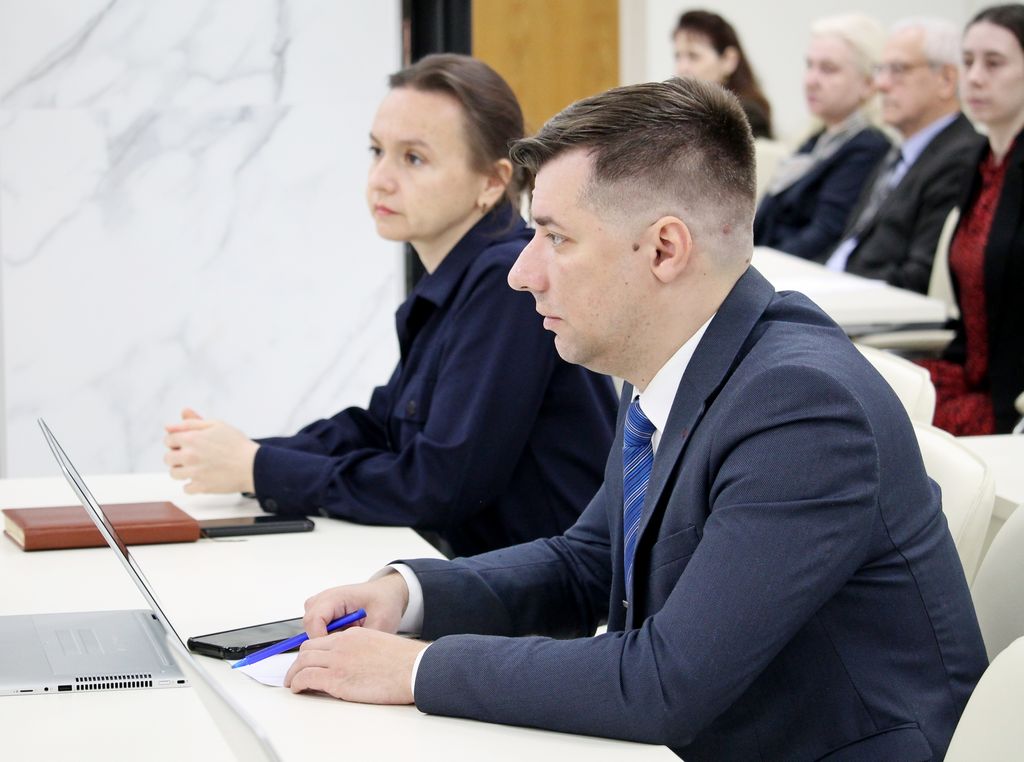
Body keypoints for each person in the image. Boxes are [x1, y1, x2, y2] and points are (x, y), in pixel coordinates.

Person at [280, 78, 987, 761]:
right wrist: (409, 596)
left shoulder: (802, 408)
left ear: (664, 250)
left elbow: (663, 684)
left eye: (556, 238)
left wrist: (414, 669)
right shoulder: (675, 357)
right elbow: (587, 563)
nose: (521, 272)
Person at [162, 54, 617, 558]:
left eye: (413, 159)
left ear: (492, 182)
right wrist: (246, 454)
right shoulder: (461, 277)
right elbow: (381, 428)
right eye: (376, 151)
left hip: (553, 594)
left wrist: (256, 467)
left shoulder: (506, 280)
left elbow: (436, 485)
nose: (380, 178)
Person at [919, 4, 1024, 435]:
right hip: (969, 373)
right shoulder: (980, 162)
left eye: (994, 63)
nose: (975, 77)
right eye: (968, 62)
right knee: (853, 386)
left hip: (1010, 397)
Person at [823, 18, 983, 293]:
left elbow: (919, 276)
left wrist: (837, 288)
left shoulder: (963, 157)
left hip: (876, 304)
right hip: (837, 287)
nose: (881, 84)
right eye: (881, 70)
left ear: (946, 80)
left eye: (899, 70)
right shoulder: (900, 150)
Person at [754, 14, 891, 259]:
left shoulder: (869, 146)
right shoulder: (816, 139)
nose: (811, 81)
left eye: (828, 69)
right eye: (810, 65)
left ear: (869, 84)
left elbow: (823, 235)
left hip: (795, 272)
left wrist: (755, 265)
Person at [673, 9, 773, 138]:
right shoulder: (679, 111)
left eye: (694, 56)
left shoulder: (747, 116)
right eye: (678, 56)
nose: (682, 68)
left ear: (728, 60)